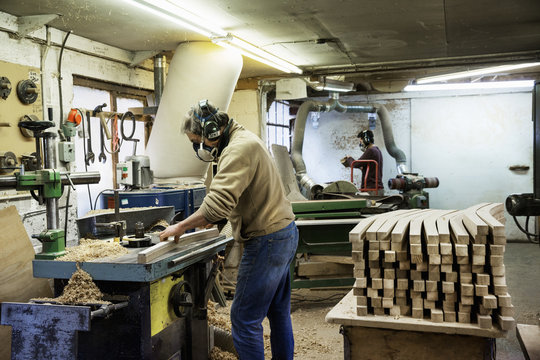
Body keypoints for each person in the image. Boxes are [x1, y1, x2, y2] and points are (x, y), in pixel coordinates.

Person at [159, 100, 298, 360]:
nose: (200, 147)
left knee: (244, 318)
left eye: (198, 142)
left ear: (213, 131)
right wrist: (216, 224)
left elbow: (216, 205)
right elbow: (234, 200)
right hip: (284, 232)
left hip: (267, 240)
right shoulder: (243, 138)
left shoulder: (238, 149)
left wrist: (181, 226)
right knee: (278, 312)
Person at [341, 129, 384, 195]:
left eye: (361, 141)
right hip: (377, 188)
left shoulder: (371, 150)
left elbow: (355, 164)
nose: (361, 143)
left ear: (366, 139)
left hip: (371, 189)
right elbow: (369, 167)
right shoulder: (377, 150)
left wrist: (349, 158)